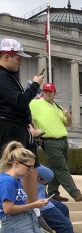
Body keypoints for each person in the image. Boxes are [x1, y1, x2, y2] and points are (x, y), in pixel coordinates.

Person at [0, 38, 44, 204]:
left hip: (18, 127)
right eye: (18, 58)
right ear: (6, 56)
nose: (21, 63)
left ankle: (33, 208)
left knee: (30, 167)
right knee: (16, 167)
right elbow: (19, 101)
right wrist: (34, 85)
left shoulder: (8, 76)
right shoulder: (2, 76)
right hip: (9, 127)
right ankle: (15, 207)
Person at [29, 82, 82, 202]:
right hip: (49, 142)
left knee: (55, 168)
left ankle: (53, 192)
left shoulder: (57, 106)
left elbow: (67, 124)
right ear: (42, 92)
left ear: (55, 93)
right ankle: (75, 193)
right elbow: (26, 116)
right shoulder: (35, 104)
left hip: (63, 141)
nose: (48, 93)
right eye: (45, 91)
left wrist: (68, 116)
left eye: (50, 91)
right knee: (62, 168)